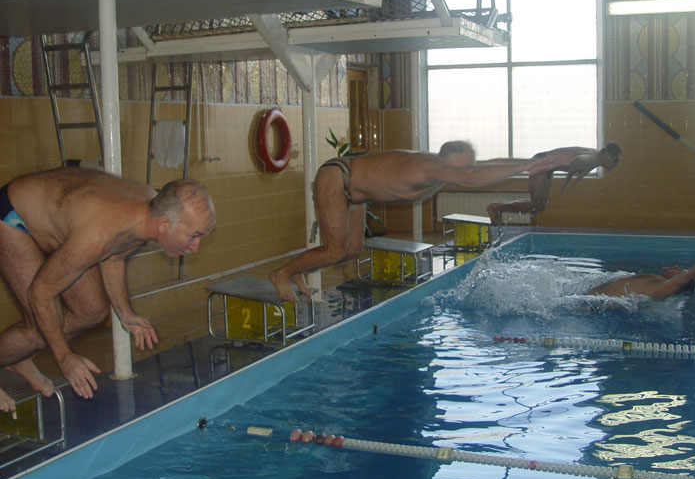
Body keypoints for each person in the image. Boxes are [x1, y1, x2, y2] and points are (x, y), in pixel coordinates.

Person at [269, 141, 598, 302]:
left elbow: (482, 167)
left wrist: (534, 162)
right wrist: (527, 167)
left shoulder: (443, 169)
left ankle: (297, 272)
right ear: (446, 159)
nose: (463, 171)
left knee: (352, 250)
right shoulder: (429, 167)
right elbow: (471, 177)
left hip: (357, 191)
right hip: (337, 177)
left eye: (466, 165)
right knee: (334, 249)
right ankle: (281, 273)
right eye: (459, 167)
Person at [0, 167, 216, 412]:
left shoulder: (149, 211)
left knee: (92, 312)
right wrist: (64, 357)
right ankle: (19, 352)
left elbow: (114, 256)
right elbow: (41, 293)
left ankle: (19, 357)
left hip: (64, 220)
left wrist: (125, 313)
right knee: (40, 325)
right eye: (194, 236)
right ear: (165, 223)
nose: (196, 247)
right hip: (13, 216)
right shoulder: (98, 235)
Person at [486, 142, 622, 226]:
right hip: (541, 164)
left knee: (539, 205)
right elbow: (578, 161)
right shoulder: (592, 158)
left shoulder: (595, 156)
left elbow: (582, 168)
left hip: (546, 166)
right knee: (536, 204)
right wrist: (566, 182)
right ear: (607, 155)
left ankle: (498, 208)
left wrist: (575, 179)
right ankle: (496, 208)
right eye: (615, 160)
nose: (615, 164)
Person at [587, 252, 695, 299]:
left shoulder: (663, 288)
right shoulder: (659, 282)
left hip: (593, 305)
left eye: (679, 272)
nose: (676, 267)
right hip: (592, 298)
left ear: (677, 280)